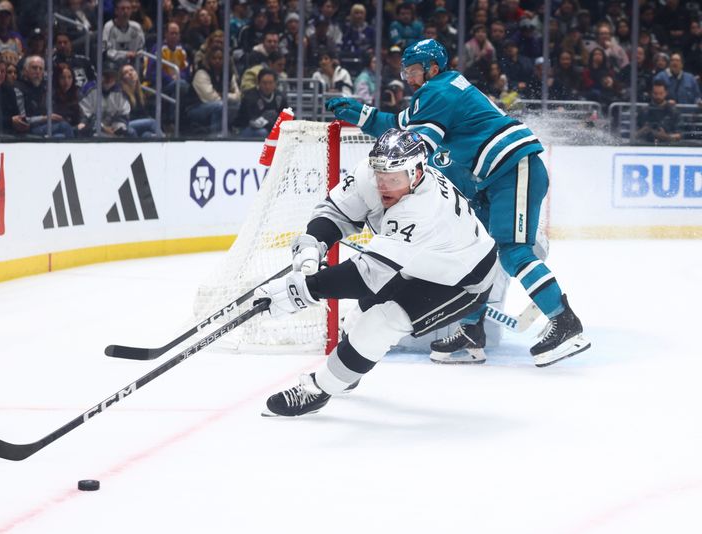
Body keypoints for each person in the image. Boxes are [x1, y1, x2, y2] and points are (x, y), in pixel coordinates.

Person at [326, 39, 590, 367]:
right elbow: (403, 127)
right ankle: (470, 332)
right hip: (492, 181)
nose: (407, 77)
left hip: (513, 169)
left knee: (513, 251)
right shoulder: (438, 92)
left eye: (412, 70)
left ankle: (565, 323)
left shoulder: (437, 92)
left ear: (432, 68)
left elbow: (411, 143)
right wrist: (362, 114)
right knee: (476, 250)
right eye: (405, 70)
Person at [255, 129, 499, 417]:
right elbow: (338, 212)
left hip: (461, 278)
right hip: (420, 261)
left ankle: (319, 390)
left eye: (393, 179)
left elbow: (369, 275)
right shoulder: (373, 174)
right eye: (380, 177)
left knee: (378, 324)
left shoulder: (424, 209)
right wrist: (313, 242)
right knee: (354, 322)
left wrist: (306, 290)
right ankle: (346, 373)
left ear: (417, 172)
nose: (383, 186)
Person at [234, 68, 286, 138]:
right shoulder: (250, 97)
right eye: (264, 83)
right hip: (246, 128)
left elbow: (287, 116)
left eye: (270, 83)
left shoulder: (279, 97)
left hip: (271, 128)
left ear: (275, 83)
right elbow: (253, 122)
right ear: (258, 83)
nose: (267, 86)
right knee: (262, 132)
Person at [635, 80, 682, 145]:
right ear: (651, 93)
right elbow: (634, 135)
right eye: (655, 93)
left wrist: (666, 136)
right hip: (646, 145)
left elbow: (680, 135)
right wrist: (643, 130)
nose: (658, 96)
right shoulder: (644, 111)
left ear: (666, 93)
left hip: (668, 146)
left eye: (661, 93)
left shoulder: (673, 112)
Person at [102, 0, 145, 67]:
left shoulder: (137, 27)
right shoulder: (108, 27)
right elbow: (106, 51)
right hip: (113, 64)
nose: (126, 11)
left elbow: (141, 48)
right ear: (116, 11)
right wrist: (125, 54)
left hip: (132, 63)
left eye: (128, 8)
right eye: (123, 8)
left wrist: (137, 54)